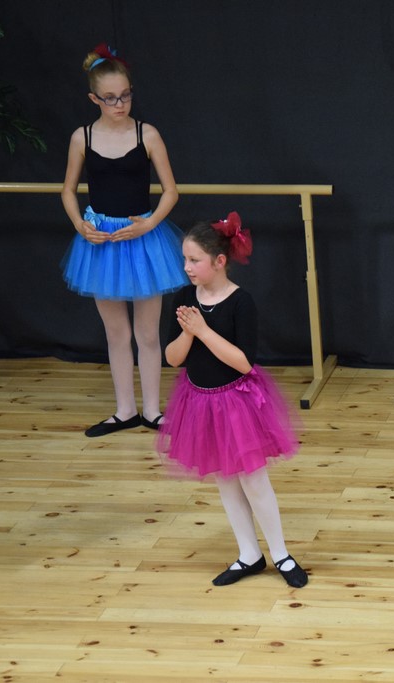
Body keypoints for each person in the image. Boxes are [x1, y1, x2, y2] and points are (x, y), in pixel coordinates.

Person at [157, 213, 307, 588]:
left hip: (236, 402)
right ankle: (248, 554)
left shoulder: (241, 303)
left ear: (219, 261)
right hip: (199, 401)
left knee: (254, 481)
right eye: (185, 259)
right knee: (225, 479)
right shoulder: (183, 299)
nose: (187, 267)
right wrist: (189, 333)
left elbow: (242, 362)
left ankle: (281, 554)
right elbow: (172, 358)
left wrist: (202, 330)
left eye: (194, 260)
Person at [60, 43, 186, 437]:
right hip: (101, 242)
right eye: (111, 98)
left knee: (148, 332)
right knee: (116, 332)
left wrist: (150, 224)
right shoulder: (82, 138)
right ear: (94, 99)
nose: (120, 104)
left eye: (126, 95)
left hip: (143, 240)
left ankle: (152, 411)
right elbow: (68, 190)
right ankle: (125, 410)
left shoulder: (147, 134)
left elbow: (171, 191)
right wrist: (80, 224)